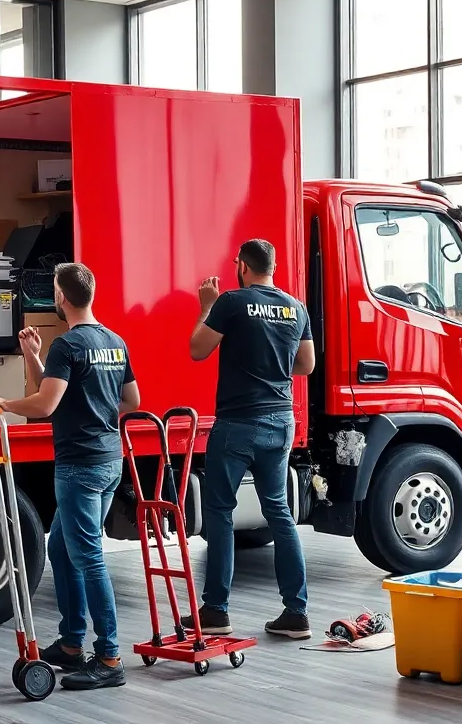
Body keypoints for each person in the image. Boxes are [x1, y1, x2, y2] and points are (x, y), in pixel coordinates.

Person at [0, 262, 139, 691]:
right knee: (62, 548)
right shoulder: (113, 341)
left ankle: (109, 657)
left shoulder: (68, 345)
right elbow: (131, 400)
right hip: (110, 460)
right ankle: (72, 643)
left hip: (80, 465)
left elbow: (45, 406)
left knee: (88, 558)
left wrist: (4, 403)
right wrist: (34, 357)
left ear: (62, 298)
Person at [184, 238, 315, 639]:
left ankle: (216, 610)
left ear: (242, 265)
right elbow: (305, 365)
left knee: (221, 511)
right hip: (280, 421)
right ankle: (296, 612)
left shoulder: (231, 302)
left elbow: (197, 349)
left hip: (238, 423)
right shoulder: (296, 308)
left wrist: (207, 304)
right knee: (278, 511)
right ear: (272, 267)